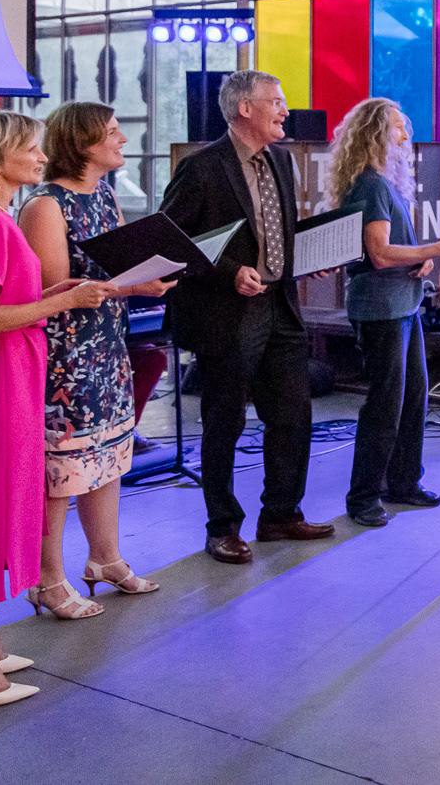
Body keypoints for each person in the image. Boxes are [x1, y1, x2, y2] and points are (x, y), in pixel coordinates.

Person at [0, 110, 111, 707]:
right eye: (30, 149)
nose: (41, 157)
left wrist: (61, 293)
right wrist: (62, 304)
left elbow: (5, 301)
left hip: (8, 371)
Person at [158, 70, 334, 565]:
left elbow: (277, 232)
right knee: (225, 422)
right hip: (226, 312)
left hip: (280, 304)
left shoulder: (280, 159)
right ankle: (222, 527)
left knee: (294, 414)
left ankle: (280, 514)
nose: (285, 110)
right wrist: (230, 272)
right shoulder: (201, 168)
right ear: (244, 109)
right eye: (276, 101)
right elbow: (172, 242)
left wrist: (310, 257)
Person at [17, 102, 175, 619]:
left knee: (107, 456)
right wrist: (135, 286)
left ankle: (104, 558)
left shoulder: (104, 194)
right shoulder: (47, 205)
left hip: (106, 343)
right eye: (112, 132)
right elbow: (55, 288)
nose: (122, 139)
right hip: (66, 355)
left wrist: (156, 269)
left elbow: (120, 265)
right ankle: (47, 579)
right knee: (62, 468)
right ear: (83, 144)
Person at [329, 99, 440, 528]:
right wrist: (439, 248)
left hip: (403, 304)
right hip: (381, 309)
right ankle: (363, 497)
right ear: (375, 134)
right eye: (397, 128)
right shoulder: (370, 185)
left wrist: (421, 259)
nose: (406, 136)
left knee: (413, 398)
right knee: (386, 404)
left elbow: (394, 251)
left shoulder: (383, 184)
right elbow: (378, 254)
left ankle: (404, 482)